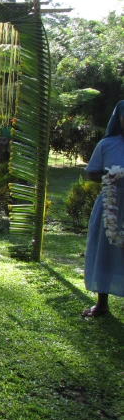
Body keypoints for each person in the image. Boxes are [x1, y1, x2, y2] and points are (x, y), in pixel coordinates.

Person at [81, 100, 124, 317]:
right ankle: (102, 303)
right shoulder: (107, 144)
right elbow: (91, 173)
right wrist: (111, 176)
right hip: (111, 205)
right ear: (119, 119)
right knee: (104, 250)